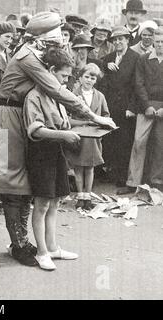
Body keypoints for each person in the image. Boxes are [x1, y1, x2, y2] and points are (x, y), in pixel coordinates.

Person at [0, 12, 116, 267]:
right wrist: (92, 115)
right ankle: (20, 244)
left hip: (19, 116)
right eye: (54, 40)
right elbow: (55, 88)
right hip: (8, 118)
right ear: (40, 39)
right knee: (12, 186)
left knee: (25, 185)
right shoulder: (28, 57)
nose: (57, 44)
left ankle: (23, 242)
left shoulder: (34, 54)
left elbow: (59, 88)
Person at [23, 47, 79, 271]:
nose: (65, 81)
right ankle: (42, 251)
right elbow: (35, 130)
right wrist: (63, 134)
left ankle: (53, 246)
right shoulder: (34, 96)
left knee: (55, 201)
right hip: (41, 152)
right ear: (51, 71)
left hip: (56, 151)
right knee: (42, 203)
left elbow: (64, 122)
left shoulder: (54, 96)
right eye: (63, 76)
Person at [119, 27, 163, 194]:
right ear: (153, 42)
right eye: (157, 41)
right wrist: (147, 106)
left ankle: (157, 182)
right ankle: (132, 182)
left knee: (160, 144)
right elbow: (139, 84)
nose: (160, 45)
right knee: (138, 142)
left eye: (162, 42)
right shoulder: (143, 59)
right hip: (146, 107)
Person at [66, 63, 110, 209]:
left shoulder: (100, 96)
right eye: (86, 77)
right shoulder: (72, 94)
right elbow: (66, 117)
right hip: (79, 135)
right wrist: (83, 122)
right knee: (78, 167)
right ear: (80, 77)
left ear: (96, 80)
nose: (89, 80)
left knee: (90, 167)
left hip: (93, 137)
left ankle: (88, 196)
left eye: (92, 78)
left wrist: (100, 124)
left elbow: (106, 115)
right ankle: (80, 195)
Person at [101, 26, 140, 187]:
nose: (118, 42)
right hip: (110, 106)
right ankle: (111, 174)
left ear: (127, 40)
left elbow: (137, 85)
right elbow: (103, 81)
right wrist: (106, 66)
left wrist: (132, 107)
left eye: (121, 39)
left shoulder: (136, 57)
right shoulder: (108, 58)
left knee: (125, 142)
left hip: (126, 108)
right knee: (111, 140)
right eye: (115, 39)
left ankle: (123, 178)